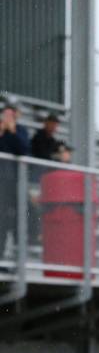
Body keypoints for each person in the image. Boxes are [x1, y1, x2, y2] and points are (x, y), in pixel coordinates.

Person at [0, 101, 29, 263]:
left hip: (11, 183)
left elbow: (24, 150)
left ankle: (9, 256)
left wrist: (12, 131)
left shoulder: (20, 130)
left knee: (11, 220)